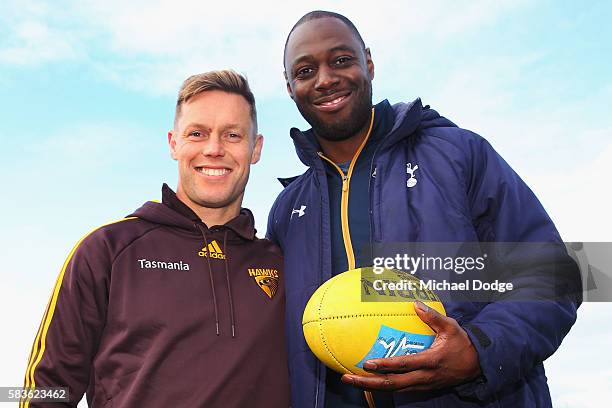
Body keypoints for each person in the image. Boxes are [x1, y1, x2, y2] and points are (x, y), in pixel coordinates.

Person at [267, 10, 581, 408]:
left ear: (369, 62)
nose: (325, 78)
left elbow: (553, 273)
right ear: (291, 87)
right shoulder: (286, 211)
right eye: (306, 70)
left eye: (341, 60)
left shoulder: (457, 154)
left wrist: (479, 350)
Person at [22, 70, 289, 407]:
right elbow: (45, 388)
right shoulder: (106, 250)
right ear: (173, 143)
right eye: (197, 133)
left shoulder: (279, 262)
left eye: (233, 135)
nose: (213, 149)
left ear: (256, 148)